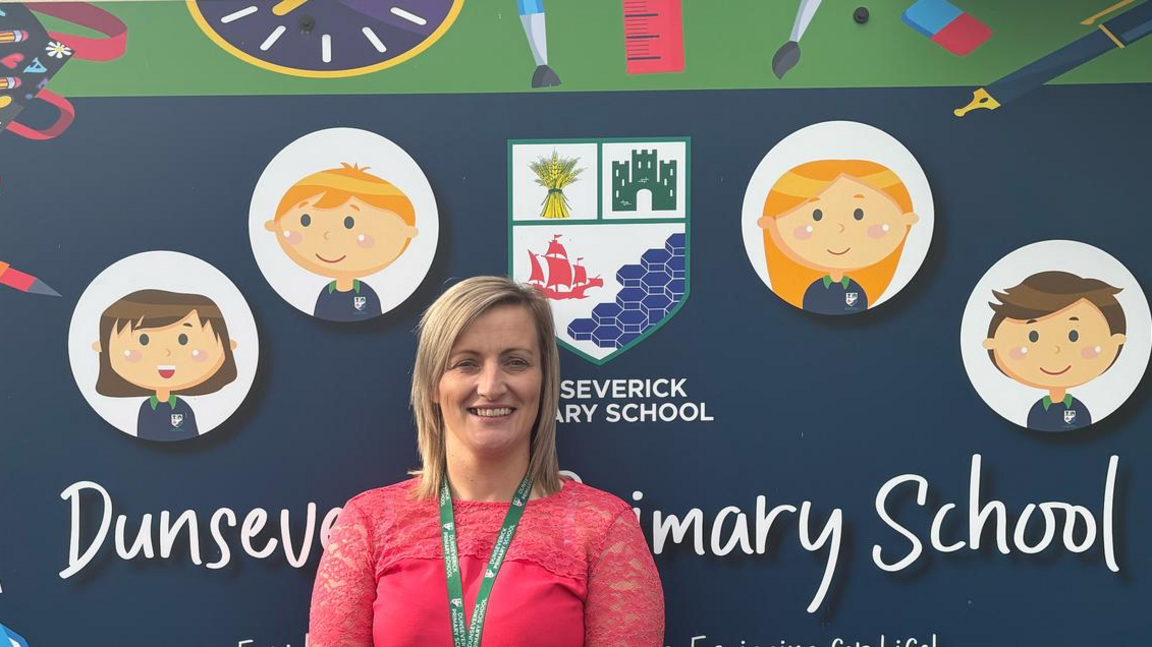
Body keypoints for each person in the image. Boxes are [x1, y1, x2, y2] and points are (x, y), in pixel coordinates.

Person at [308, 276, 664, 646]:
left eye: (515, 362)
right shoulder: (368, 523)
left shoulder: (603, 529)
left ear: (543, 381)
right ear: (433, 384)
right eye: (466, 363)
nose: (491, 386)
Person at [756, 160, 920, 315]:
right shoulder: (802, 290)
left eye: (858, 214)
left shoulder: (873, 289)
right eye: (817, 214)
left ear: (906, 220)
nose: (839, 228)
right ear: (771, 223)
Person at [264, 163, 420, 322]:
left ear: (407, 232)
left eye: (349, 223)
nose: (329, 236)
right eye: (305, 220)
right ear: (274, 225)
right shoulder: (325, 294)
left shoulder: (367, 295)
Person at [982, 271, 1127, 432]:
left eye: (1074, 335)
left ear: (1116, 341)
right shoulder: (1034, 410)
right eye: (1033, 336)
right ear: (992, 345)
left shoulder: (1081, 410)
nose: (1055, 349)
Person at [91, 289, 239, 441]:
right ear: (102, 347)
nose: (166, 353)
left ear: (228, 345)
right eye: (143, 340)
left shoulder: (185, 408)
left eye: (183, 339)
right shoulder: (145, 410)